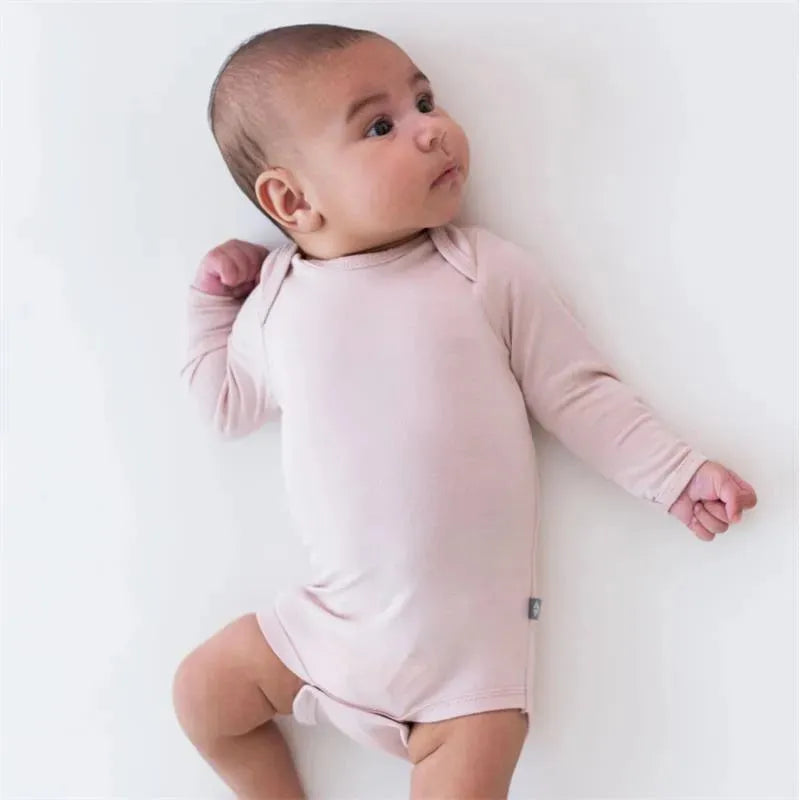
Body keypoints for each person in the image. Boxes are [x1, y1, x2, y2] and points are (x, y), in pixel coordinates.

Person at [172, 23, 758, 800]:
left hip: (469, 682)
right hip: (328, 631)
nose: (431, 129)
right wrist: (212, 302)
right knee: (203, 696)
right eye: (380, 126)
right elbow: (222, 405)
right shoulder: (276, 304)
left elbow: (578, 391)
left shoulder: (480, 271)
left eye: (424, 101)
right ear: (291, 199)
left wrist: (675, 474)